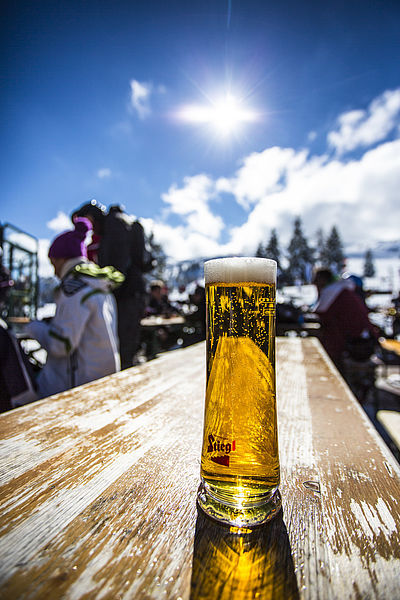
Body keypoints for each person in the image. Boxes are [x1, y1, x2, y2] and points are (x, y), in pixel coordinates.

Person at [24, 218, 123, 399]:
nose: (54, 271)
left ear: (63, 260)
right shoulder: (99, 285)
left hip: (78, 389)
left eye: (53, 262)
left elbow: (62, 345)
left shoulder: (74, 289)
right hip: (102, 381)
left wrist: (33, 327)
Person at [72, 201, 150, 369]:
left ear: (92, 216)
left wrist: (104, 286)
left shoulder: (114, 224)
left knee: (124, 349)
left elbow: (117, 266)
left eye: (87, 221)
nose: (89, 228)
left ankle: (125, 389)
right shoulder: (115, 224)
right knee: (125, 347)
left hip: (127, 295)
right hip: (129, 293)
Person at [312, 268, 378, 370]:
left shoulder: (332, 292)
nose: (314, 283)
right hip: (361, 337)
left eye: (317, 279)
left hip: (354, 343)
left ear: (324, 279)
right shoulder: (340, 289)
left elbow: (321, 314)